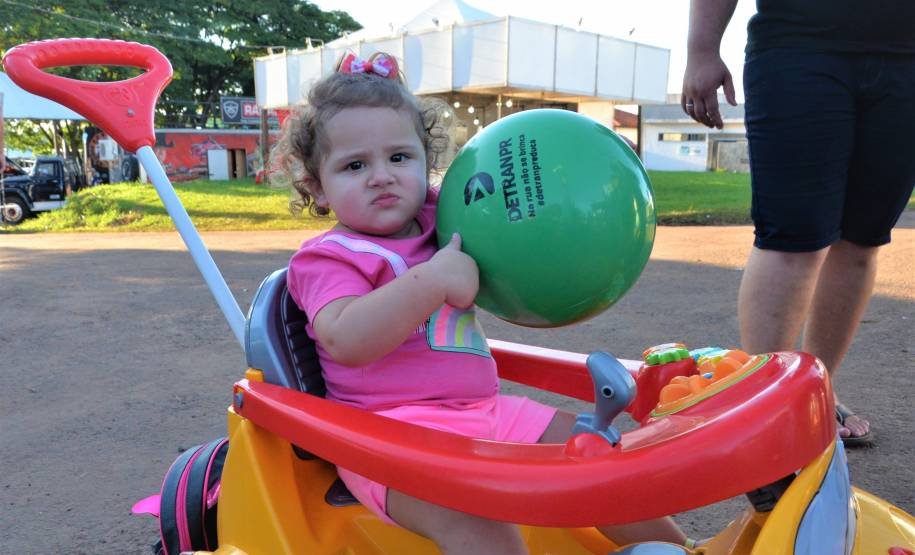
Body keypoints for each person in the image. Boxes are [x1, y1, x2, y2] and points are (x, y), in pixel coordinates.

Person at [272, 52, 687, 554]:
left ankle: (685, 551)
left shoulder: (445, 217)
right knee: (478, 525)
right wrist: (432, 280)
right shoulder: (328, 259)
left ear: (428, 161)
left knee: (596, 460)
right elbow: (346, 339)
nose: (381, 176)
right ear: (317, 186)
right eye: (355, 165)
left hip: (483, 411)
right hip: (390, 441)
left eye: (399, 158)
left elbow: (519, 200)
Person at [681, 0, 915, 446]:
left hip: (907, 60)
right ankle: (763, 403)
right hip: (799, 46)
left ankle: (814, 390)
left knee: (864, 238)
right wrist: (701, 48)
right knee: (791, 238)